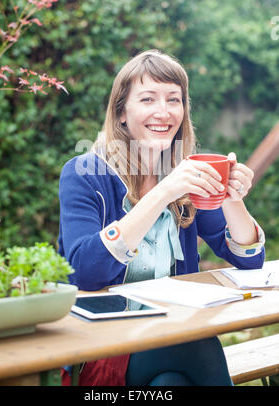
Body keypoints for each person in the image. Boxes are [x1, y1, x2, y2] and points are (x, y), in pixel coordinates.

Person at [58, 50, 265, 386]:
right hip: (103, 349)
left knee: (171, 383)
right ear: (121, 112)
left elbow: (250, 261)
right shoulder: (84, 174)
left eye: (174, 99)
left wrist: (232, 200)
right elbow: (85, 271)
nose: (164, 111)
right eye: (148, 99)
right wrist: (162, 193)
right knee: (196, 342)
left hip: (168, 345)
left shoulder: (185, 176)